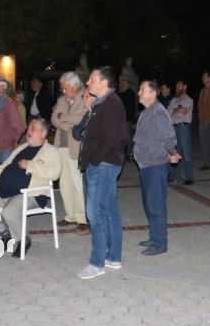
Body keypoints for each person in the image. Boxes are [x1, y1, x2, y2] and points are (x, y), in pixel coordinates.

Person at [0, 118, 60, 258]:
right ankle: (5, 232)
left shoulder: (51, 151)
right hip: (5, 191)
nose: (28, 131)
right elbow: (3, 166)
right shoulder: (21, 147)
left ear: (43, 133)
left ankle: (23, 239)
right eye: (29, 128)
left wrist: (30, 165)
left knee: (8, 212)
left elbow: (55, 173)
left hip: (30, 193)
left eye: (33, 129)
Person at [77, 66, 126, 279]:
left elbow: (112, 139)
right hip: (102, 163)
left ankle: (96, 263)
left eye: (92, 79)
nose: (88, 82)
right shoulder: (101, 103)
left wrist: (95, 159)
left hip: (103, 165)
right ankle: (113, 257)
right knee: (108, 210)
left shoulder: (112, 104)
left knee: (95, 212)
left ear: (104, 82)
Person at [133, 81, 180, 255]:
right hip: (146, 164)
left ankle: (160, 243)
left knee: (156, 205)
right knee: (149, 203)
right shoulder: (147, 111)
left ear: (153, 94)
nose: (139, 92)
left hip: (155, 165)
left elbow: (168, 138)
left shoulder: (159, 113)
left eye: (142, 90)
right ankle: (154, 237)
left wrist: (172, 153)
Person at [51, 71, 89, 234]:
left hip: (76, 146)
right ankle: (70, 215)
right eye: (62, 88)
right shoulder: (61, 100)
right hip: (61, 145)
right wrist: (67, 123)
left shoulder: (84, 97)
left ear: (75, 86)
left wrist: (63, 117)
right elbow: (54, 118)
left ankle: (82, 218)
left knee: (77, 182)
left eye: (65, 88)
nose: (63, 91)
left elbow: (81, 119)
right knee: (65, 182)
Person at [0, 78, 25, 165]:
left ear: (2, 88)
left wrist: (12, 141)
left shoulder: (9, 104)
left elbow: (19, 127)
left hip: (5, 148)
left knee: (3, 171)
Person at [166, 80, 194, 185]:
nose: (177, 88)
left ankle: (190, 177)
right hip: (173, 128)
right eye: (176, 86)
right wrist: (177, 109)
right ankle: (175, 176)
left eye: (179, 86)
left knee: (186, 153)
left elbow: (184, 111)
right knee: (174, 152)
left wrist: (174, 111)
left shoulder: (189, 100)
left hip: (183, 127)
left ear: (185, 87)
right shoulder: (173, 100)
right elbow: (167, 112)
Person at [117, 78, 137, 160]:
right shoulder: (120, 92)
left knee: (128, 136)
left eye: (124, 84)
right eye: (121, 84)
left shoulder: (130, 93)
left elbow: (125, 105)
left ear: (128, 85)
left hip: (127, 118)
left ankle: (130, 153)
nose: (122, 86)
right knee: (121, 136)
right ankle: (124, 152)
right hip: (120, 118)